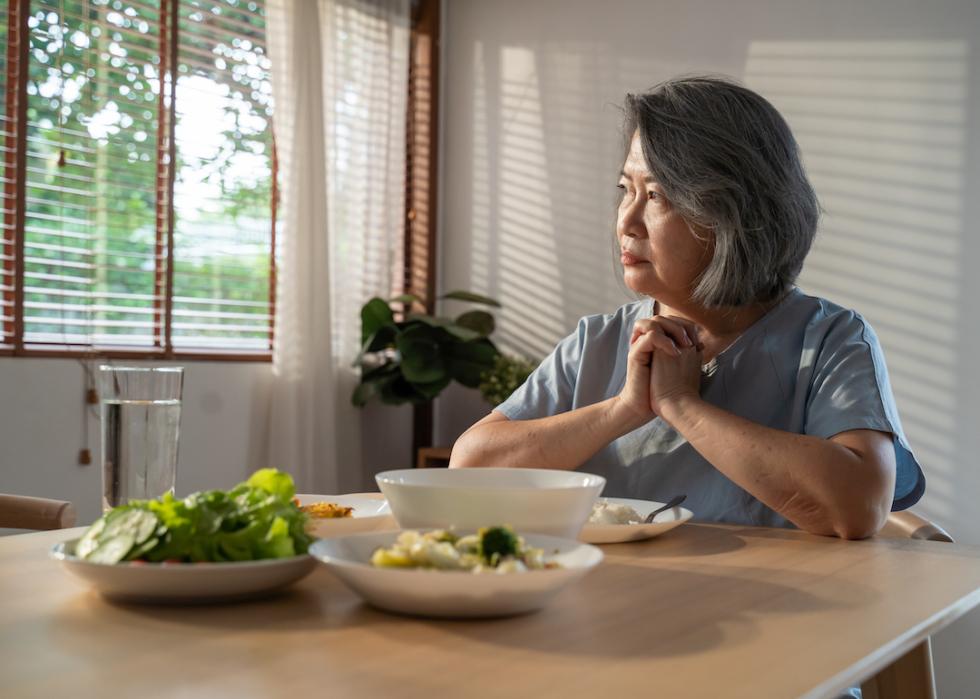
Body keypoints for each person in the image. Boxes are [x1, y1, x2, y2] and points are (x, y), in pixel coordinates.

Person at [449, 75, 925, 539]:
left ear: (734, 213)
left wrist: (682, 406)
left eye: (655, 195)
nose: (627, 222)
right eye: (625, 191)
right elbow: (469, 467)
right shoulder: (597, 341)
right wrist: (624, 409)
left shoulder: (830, 340)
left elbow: (860, 508)